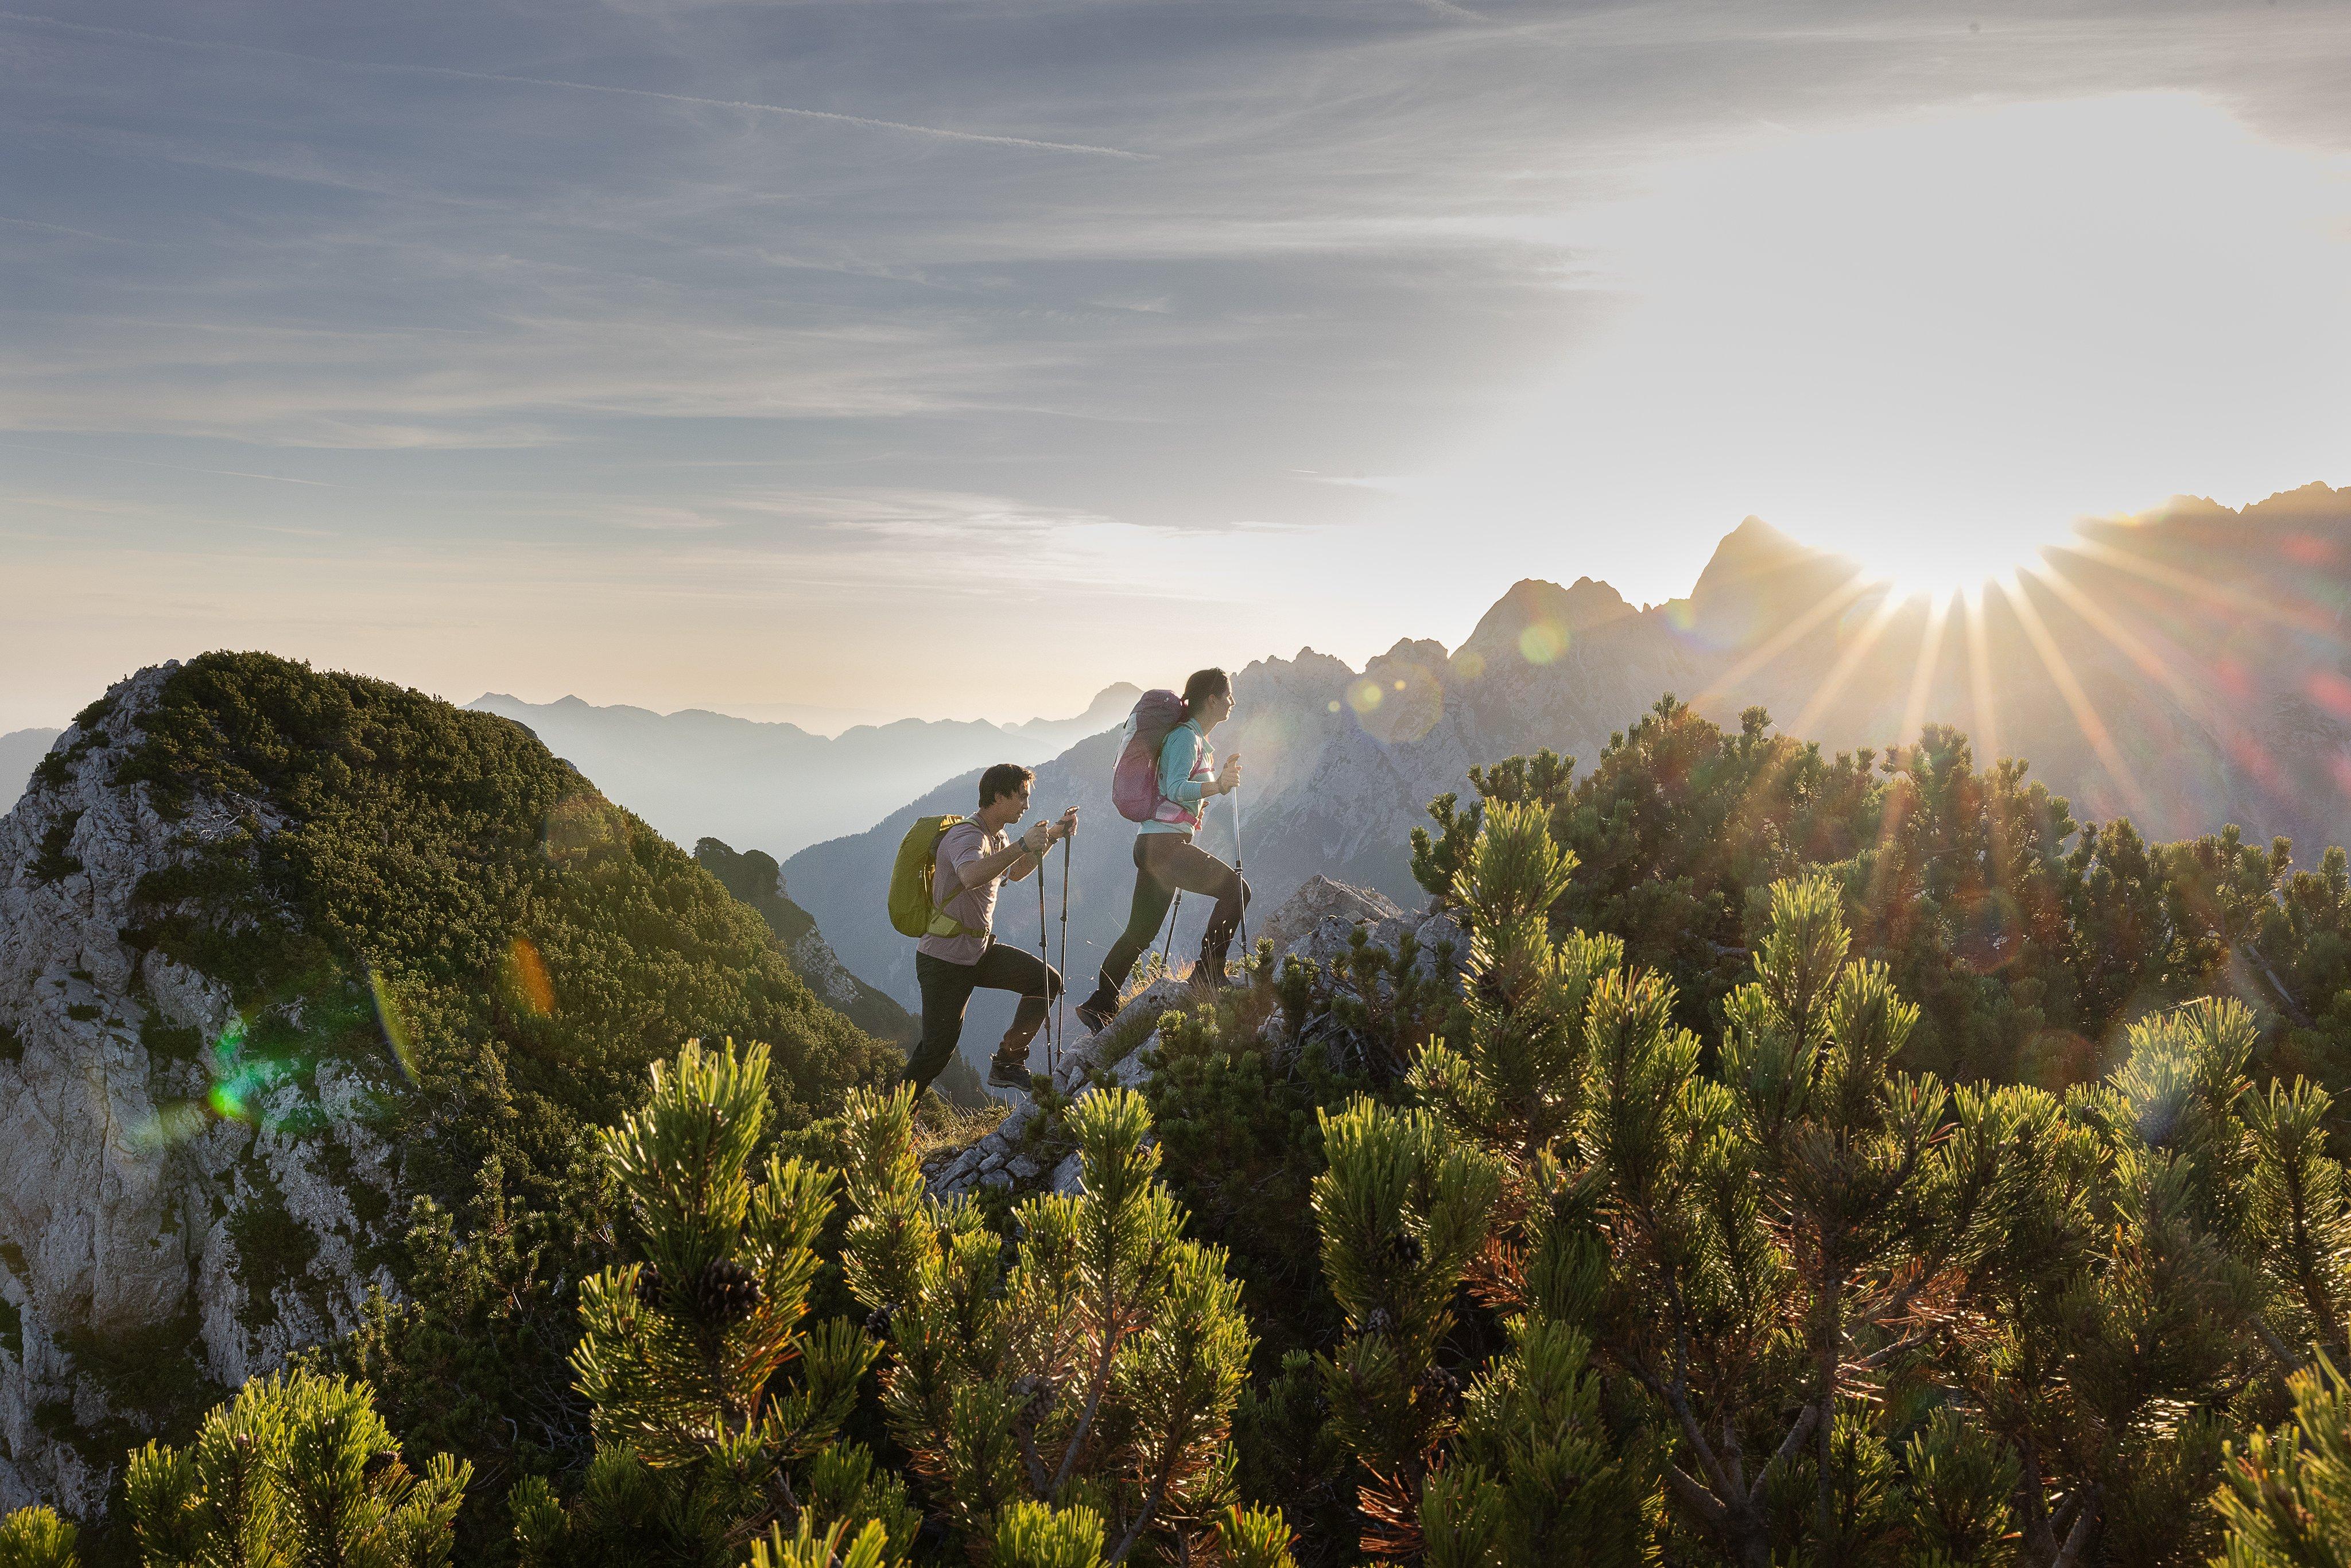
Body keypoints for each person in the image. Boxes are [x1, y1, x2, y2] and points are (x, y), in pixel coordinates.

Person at [1074, 667, 1247, 1033]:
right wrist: (1218, 787)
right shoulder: (1186, 738)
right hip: (1165, 847)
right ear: (1212, 699)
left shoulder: (1196, 741)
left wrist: (1220, 781)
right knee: (1236, 891)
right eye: (1227, 696)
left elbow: (1185, 798)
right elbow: (1174, 788)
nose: (1232, 702)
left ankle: (1099, 1003)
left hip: (1156, 844)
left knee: (1140, 932)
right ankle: (1209, 974)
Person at [906, 763, 1077, 1095]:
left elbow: (1015, 872)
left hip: (977, 952)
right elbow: (970, 876)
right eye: (1022, 798)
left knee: (1045, 982)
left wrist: (1053, 837)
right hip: (944, 961)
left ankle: (1008, 1062)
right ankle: (888, 1121)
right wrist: (1024, 845)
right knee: (936, 1053)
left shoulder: (998, 837)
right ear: (998, 796)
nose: (1027, 806)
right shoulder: (966, 836)